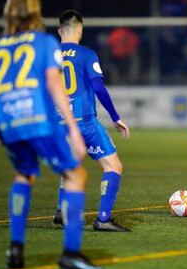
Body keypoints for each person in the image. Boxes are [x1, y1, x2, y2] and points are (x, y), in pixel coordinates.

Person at [0, 0, 101, 269]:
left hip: (10, 121)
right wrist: (74, 129)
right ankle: (71, 252)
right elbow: (54, 85)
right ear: (35, 15)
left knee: (23, 175)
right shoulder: (44, 42)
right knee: (77, 175)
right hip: (39, 120)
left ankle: (15, 249)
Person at [53, 10, 130, 232]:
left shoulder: (49, 56)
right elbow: (98, 87)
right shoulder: (86, 54)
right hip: (85, 122)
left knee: (72, 165)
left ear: (60, 31)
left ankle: (61, 211)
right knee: (113, 166)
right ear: (80, 30)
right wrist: (115, 117)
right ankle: (103, 218)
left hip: (60, 123)